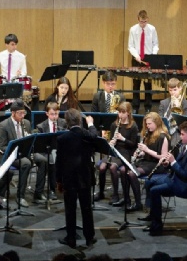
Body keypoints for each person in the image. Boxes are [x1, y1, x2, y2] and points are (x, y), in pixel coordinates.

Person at [140, 121, 187, 236]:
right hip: (173, 178)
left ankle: (157, 227)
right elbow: (178, 165)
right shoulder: (186, 147)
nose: (180, 137)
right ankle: (152, 215)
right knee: (149, 181)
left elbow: (185, 175)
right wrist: (167, 164)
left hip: (182, 185)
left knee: (154, 190)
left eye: (182, 134)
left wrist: (173, 162)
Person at [55, 108, 98, 248]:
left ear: (66, 121)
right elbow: (94, 135)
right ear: (80, 120)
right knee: (86, 208)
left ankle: (71, 238)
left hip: (69, 178)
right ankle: (89, 238)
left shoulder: (62, 139)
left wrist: (58, 180)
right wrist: (90, 123)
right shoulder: (86, 135)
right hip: (85, 177)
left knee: (70, 209)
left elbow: (59, 162)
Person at [0, 100, 47, 207]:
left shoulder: (26, 123)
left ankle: (38, 193)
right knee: (26, 163)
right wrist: (17, 148)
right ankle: (20, 196)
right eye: (20, 113)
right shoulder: (4, 125)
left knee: (43, 160)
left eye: (24, 113)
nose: (23, 116)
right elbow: (1, 147)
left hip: (25, 152)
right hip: (10, 155)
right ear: (13, 113)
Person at [122, 112, 170, 211]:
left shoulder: (163, 137)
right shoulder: (149, 134)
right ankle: (127, 200)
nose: (147, 126)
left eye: (149, 124)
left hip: (158, 165)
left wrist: (146, 150)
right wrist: (141, 153)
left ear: (157, 123)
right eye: (146, 124)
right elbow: (148, 151)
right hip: (147, 161)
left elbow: (163, 157)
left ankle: (138, 203)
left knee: (132, 173)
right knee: (124, 170)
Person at [95, 101, 139, 205]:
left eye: (123, 112)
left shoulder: (133, 126)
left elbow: (133, 144)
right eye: (119, 112)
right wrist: (112, 142)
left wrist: (123, 139)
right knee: (102, 167)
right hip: (115, 150)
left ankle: (115, 194)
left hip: (125, 152)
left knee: (113, 167)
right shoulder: (114, 125)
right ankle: (101, 192)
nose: (120, 115)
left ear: (128, 113)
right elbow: (111, 139)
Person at [127, 10, 159, 114]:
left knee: (148, 84)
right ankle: (135, 106)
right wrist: (136, 55)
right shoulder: (133, 29)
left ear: (147, 19)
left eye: (145, 21)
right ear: (138, 19)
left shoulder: (152, 29)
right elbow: (130, 46)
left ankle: (148, 106)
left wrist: (153, 56)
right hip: (137, 58)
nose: (143, 24)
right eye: (141, 22)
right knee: (136, 84)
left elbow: (155, 44)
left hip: (148, 58)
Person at [34, 102, 67, 201]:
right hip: (46, 151)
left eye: (56, 114)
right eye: (52, 114)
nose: (54, 116)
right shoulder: (41, 126)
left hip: (60, 150)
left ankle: (63, 187)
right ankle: (51, 189)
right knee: (51, 160)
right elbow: (39, 145)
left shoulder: (64, 123)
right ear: (47, 114)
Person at [157, 77, 187, 145]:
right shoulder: (163, 103)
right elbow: (159, 118)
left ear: (180, 88)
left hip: (178, 130)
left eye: (175, 90)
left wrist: (178, 108)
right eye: (170, 90)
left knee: (173, 144)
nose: (172, 93)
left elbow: (185, 121)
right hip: (164, 129)